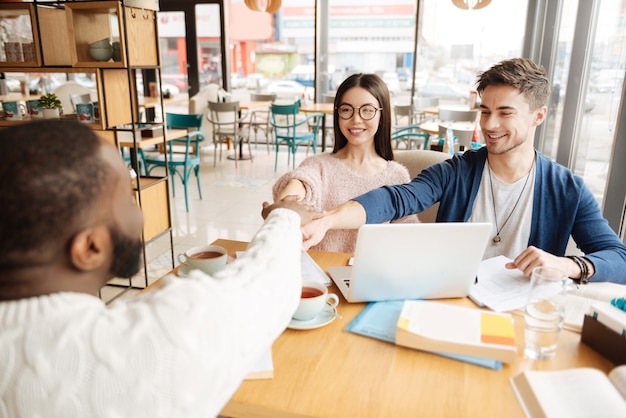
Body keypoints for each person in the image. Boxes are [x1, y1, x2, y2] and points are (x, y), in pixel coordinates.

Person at [0, 120, 318, 417]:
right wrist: (286, 216)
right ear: (90, 247)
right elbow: (264, 289)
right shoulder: (140, 345)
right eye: (126, 199)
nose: (137, 213)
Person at [276, 58, 626, 284]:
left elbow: (618, 259)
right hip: (449, 299)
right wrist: (327, 220)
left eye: (505, 112)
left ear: (538, 115)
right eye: (484, 110)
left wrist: (571, 266)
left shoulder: (567, 188)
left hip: (521, 312)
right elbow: (397, 197)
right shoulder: (458, 170)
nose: (490, 124)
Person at [269, 73, 418, 253]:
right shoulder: (319, 165)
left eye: (367, 110)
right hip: (321, 274)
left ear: (382, 114)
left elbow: (408, 236)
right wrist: (282, 209)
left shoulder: (397, 175)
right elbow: (302, 182)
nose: (356, 119)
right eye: (347, 110)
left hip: (372, 274)